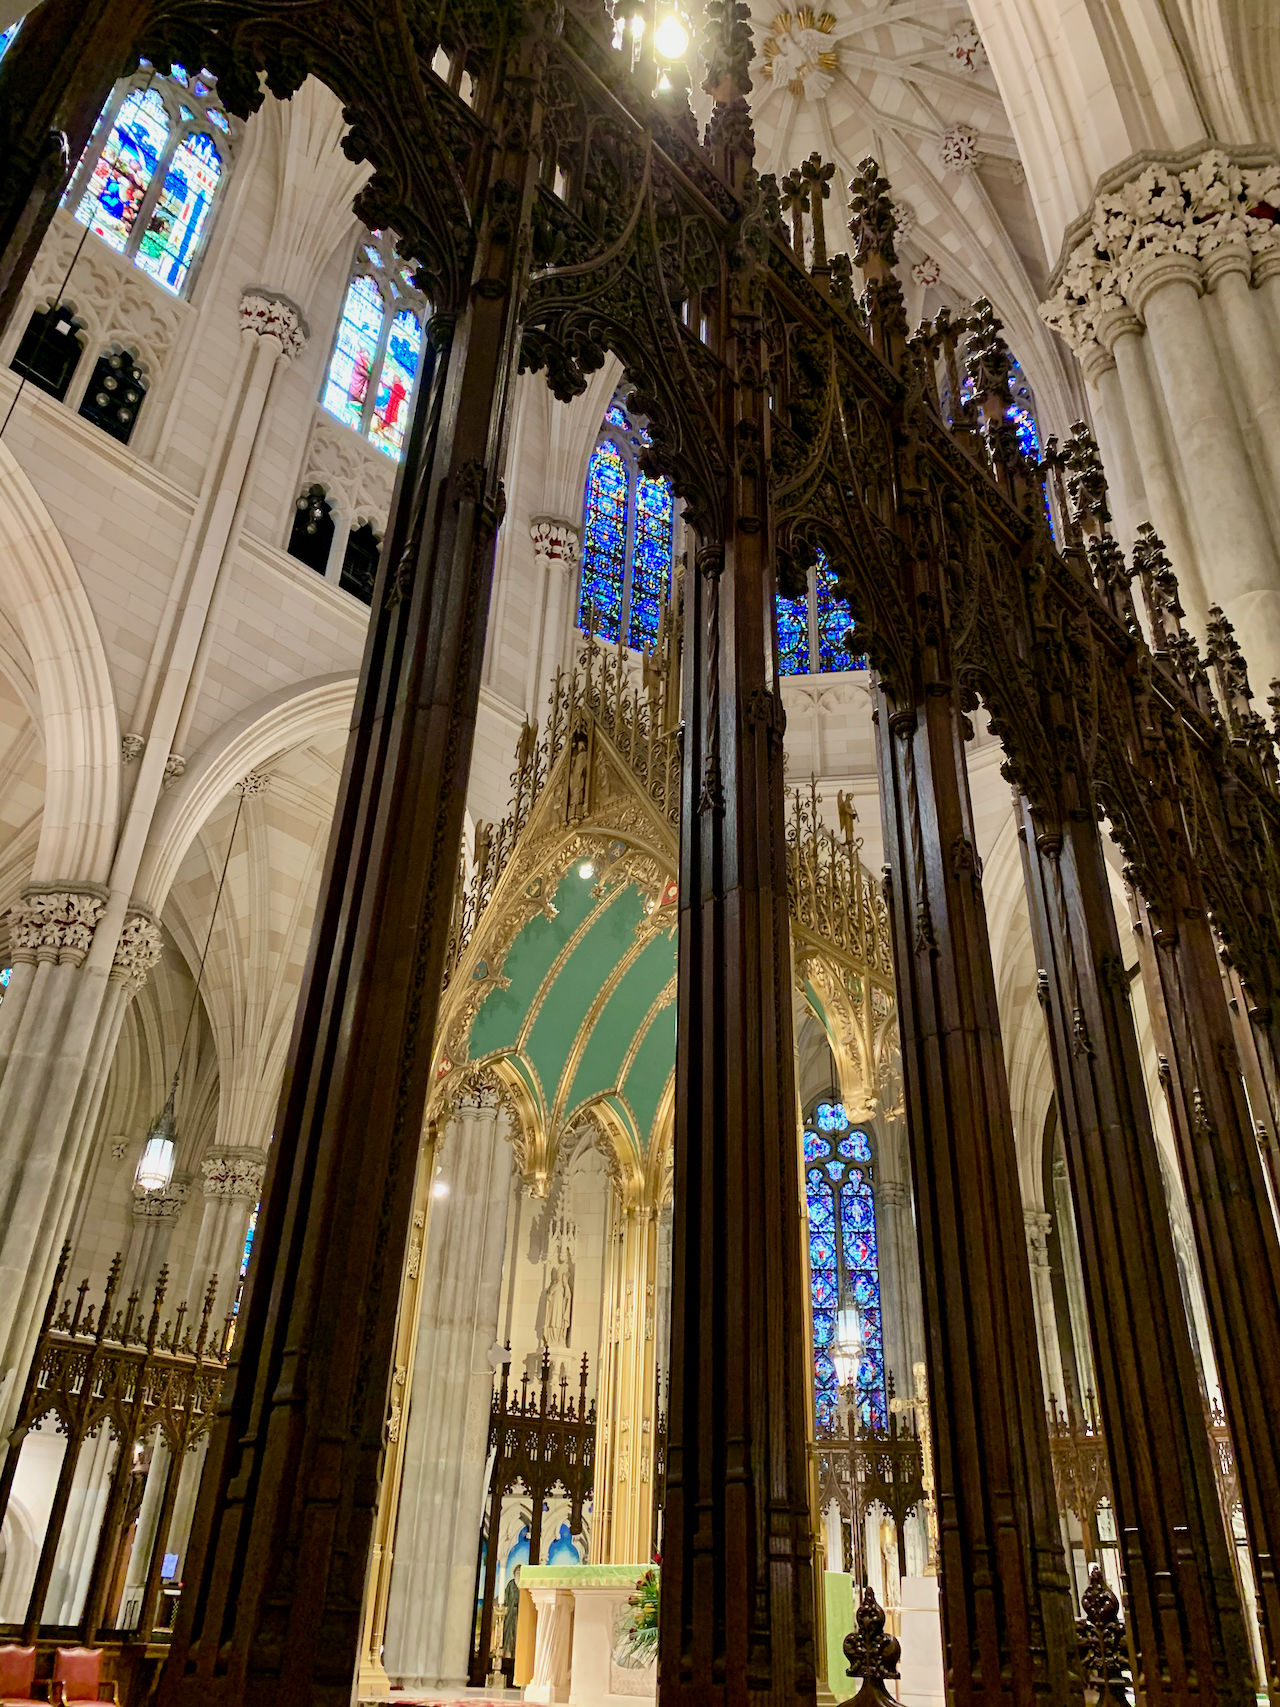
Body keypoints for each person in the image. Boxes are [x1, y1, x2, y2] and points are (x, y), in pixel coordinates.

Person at [501, 1564, 522, 1686]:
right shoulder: (511, 1585)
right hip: (511, 1615)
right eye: (517, 1571)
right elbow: (506, 1599)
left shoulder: (524, 1585)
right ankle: (508, 1655)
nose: (519, 1573)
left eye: (521, 1571)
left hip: (521, 1615)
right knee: (509, 1635)